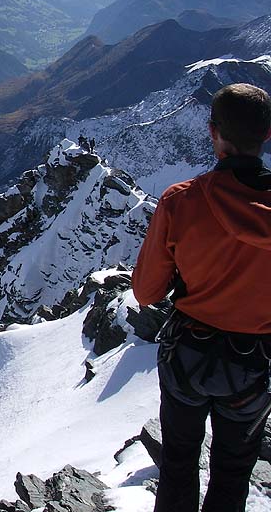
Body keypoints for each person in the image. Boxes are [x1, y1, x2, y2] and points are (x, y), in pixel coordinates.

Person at [133, 83, 271, 512]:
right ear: (267, 135)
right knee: (232, 473)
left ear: (213, 132)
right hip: (252, 364)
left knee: (178, 464)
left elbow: (146, 291)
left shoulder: (181, 201)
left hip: (188, 355)